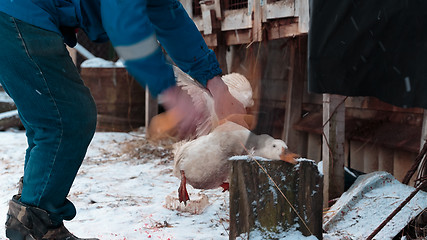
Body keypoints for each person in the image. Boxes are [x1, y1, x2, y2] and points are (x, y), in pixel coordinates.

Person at [0, 0, 245, 239]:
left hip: (22, 13)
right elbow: (124, 25)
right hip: (18, 11)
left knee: (51, 118)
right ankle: (35, 226)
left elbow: (169, 16)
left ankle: (33, 216)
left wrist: (215, 82)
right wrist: (169, 91)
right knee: (66, 118)